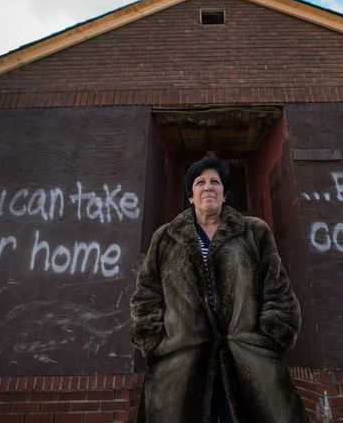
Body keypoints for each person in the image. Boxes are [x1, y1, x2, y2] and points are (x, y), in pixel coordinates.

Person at [130, 152, 308, 423]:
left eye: (215, 182)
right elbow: (146, 295)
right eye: (200, 182)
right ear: (190, 196)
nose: (208, 187)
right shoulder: (165, 238)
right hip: (181, 368)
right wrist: (155, 343)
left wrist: (269, 339)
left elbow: (278, 290)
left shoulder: (254, 232)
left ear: (225, 194)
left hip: (249, 365)